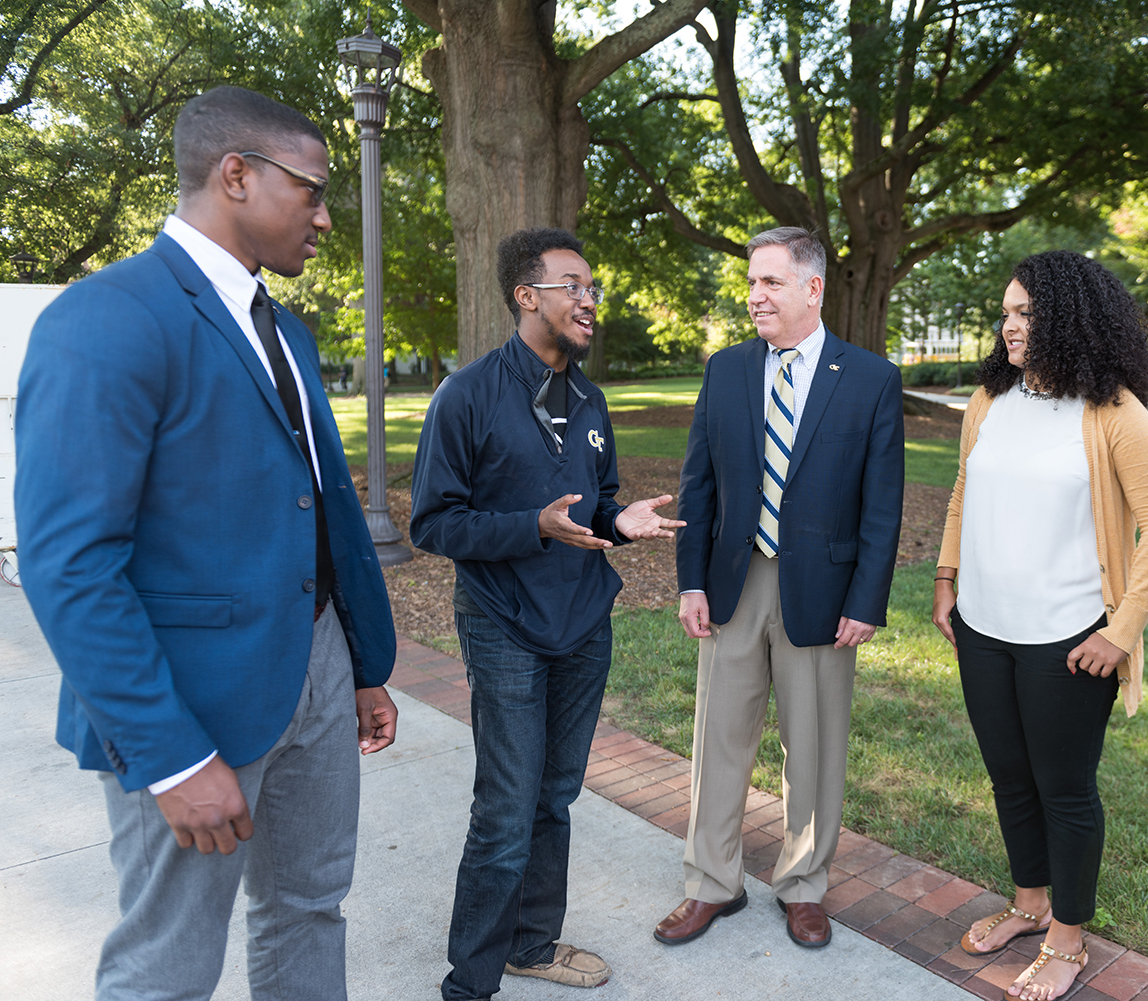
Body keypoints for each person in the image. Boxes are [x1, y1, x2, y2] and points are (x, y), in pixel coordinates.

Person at [15, 86, 399, 1001]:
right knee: (169, 964)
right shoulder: (107, 318)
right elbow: (68, 563)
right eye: (310, 189)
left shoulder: (286, 330)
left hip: (315, 668)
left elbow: (322, 508)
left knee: (311, 907)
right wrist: (171, 756)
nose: (325, 214)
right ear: (237, 175)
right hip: (190, 705)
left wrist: (359, 663)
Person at [409, 227, 684, 1000]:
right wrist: (532, 524)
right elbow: (433, 521)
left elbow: (590, 499)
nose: (589, 299)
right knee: (504, 810)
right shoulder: (466, 394)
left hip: (583, 623)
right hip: (505, 627)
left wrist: (617, 517)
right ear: (527, 296)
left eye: (593, 286)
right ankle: (470, 981)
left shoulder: (589, 399)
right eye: (573, 285)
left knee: (554, 799)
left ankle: (532, 942)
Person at [930, 250, 1148, 1000]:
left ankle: (1068, 938)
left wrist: (1122, 630)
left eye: (1027, 314)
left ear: (1071, 320)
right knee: (1009, 777)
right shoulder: (990, 398)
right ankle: (1030, 903)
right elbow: (964, 491)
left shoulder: (1115, 414)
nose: (1010, 327)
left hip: (1069, 639)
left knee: (1063, 788)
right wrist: (946, 579)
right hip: (982, 628)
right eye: (1006, 312)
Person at [654, 226, 905, 949]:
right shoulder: (727, 369)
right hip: (733, 584)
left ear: (812, 288)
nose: (754, 296)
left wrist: (866, 600)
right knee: (718, 739)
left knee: (816, 745)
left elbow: (881, 506)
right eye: (752, 282)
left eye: (769, 282)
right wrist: (690, 581)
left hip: (824, 595)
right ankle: (712, 882)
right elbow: (696, 483)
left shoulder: (869, 379)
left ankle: (803, 885)